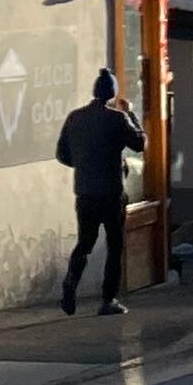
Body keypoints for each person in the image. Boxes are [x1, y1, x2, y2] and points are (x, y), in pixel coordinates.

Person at [56, 66, 142, 315]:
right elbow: (139, 144)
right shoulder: (117, 118)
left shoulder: (75, 117)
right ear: (112, 93)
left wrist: (82, 164)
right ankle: (108, 299)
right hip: (111, 193)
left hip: (84, 192)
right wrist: (131, 115)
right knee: (115, 244)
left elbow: (62, 154)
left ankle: (70, 285)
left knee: (85, 242)